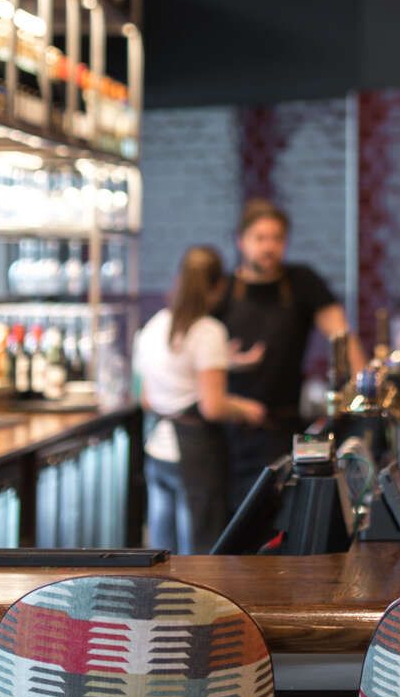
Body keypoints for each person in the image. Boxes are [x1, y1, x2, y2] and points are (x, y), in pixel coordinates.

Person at [221, 198, 364, 508]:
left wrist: (362, 387)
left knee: (275, 517)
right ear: (241, 241)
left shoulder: (301, 281)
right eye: (260, 238)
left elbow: (342, 336)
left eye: (277, 238)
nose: (269, 247)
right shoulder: (223, 289)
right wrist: (226, 360)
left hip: (280, 426)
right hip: (226, 429)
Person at [134, 244, 267, 554]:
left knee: (160, 555)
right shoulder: (208, 331)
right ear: (219, 286)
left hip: (157, 449)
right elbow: (213, 406)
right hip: (195, 455)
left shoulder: (154, 325)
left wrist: (227, 362)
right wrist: (247, 409)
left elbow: (146, 399)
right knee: (200, 556)